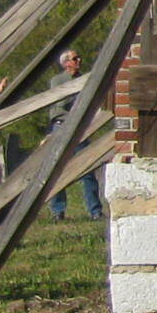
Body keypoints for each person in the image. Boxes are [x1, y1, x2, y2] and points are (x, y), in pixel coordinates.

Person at [47, 50, 105, 221]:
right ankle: (58, 211)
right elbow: (58, 107)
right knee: (57, 171)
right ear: (66, 63)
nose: (79, 60)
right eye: (75, 58)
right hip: (63, 127)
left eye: (79, 57)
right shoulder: (58, 81)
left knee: (87, 169)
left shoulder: (86, 79)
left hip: (80, 129)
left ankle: (95, 210)